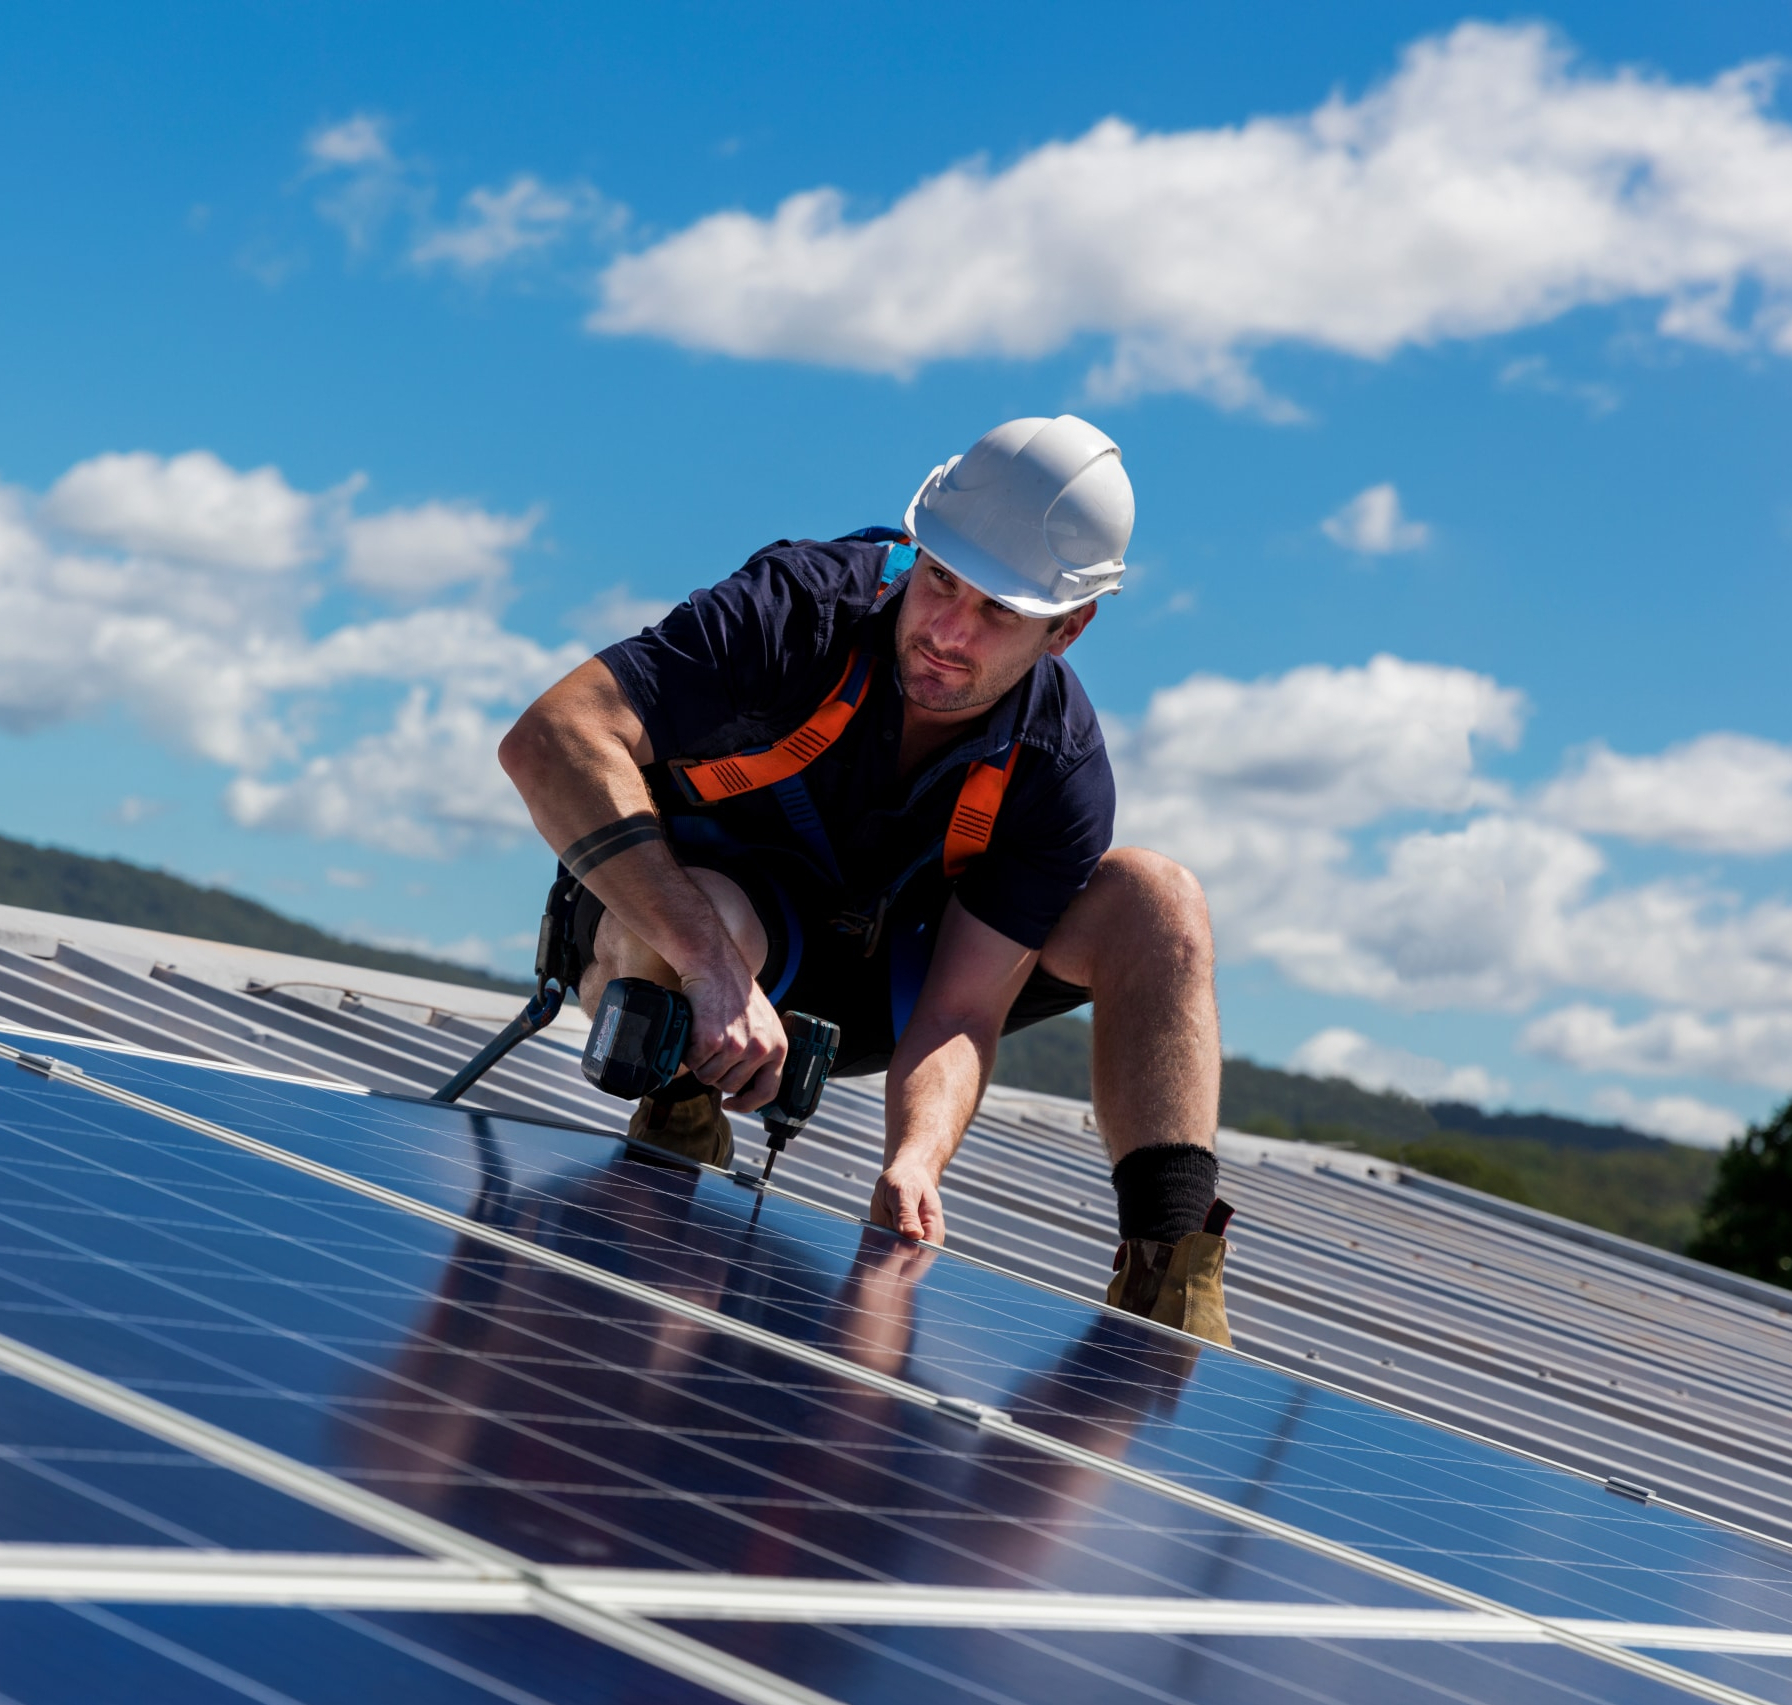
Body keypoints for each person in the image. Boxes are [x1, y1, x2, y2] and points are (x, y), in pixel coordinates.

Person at [499, 415, 1231, 1340]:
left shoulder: (1057, 767)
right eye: (941, 582)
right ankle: (679, 1112)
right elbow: (551, 737)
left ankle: (1171, 1294)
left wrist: (918, 1159)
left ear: (1069, 628)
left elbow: (963, 1012)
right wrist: (711, 966)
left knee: (1157, 901)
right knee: (719, 919)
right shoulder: (797, 608)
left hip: (881, 985)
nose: (948, 633)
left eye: (997, 612)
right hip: (686, 946)